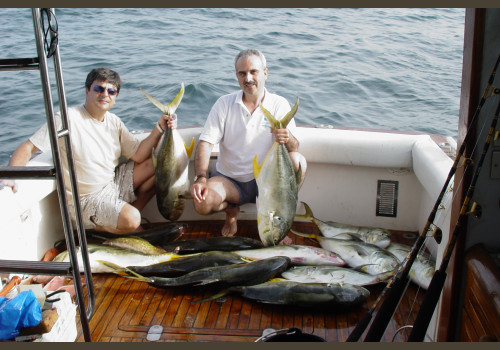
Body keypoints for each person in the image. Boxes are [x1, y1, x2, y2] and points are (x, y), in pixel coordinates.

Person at [2, 67, 176, 235]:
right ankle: (102, 227)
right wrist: (11, 175)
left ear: (115, 97)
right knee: (132, 218)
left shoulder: (113, 121)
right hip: (86, 201)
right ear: (87, 90)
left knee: (159, 167)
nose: (105, 94)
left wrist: (160, 127)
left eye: (111, 91)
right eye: (99, 88)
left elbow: (138, 155)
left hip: (112, 185)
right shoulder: (67, 118)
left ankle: (126, 219)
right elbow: (28, 147)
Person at [190, 49, 307, 242]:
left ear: (265, 73)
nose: (248, 78)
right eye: (242, 73)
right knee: (201, 203)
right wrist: (201, 178)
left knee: (298, 161)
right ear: (237, 76)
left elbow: (294, 148)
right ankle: (231, 212)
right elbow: (206, 143)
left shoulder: (279, 104)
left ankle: (281, 224)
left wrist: (287, 138)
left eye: (254, 72)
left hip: (268, 180)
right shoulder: (224, 104)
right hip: (231, 181)